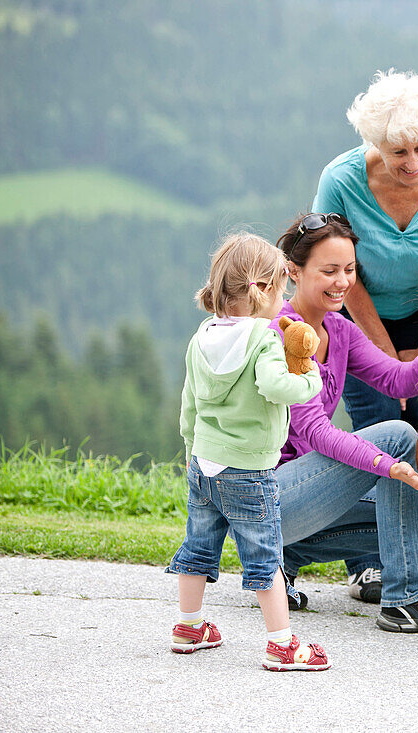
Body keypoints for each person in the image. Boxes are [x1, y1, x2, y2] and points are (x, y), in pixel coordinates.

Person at [272, 212, 418, 636]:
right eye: (329, 270)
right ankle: (409, 596)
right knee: (397, 436)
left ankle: (286, 558)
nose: (342, 281)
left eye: (350, 270)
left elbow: (398, 379)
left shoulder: (339, 328)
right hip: (271, 496)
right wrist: (386, 463)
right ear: (293, 271)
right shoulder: (282, 331)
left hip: (302, 500)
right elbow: (315, 431)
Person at [312, 70, 418, 603]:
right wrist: (387, 355)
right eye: (396, 152)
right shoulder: (340, 180)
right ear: (373, 144)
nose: (411, 164)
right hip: (352, 312)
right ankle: (369, 565)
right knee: (377, 428)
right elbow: (344, 276)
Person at [168, 232, 329, 670]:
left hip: (204, 462)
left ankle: (189, 626)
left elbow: (190, 403)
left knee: (199, 545)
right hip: (248, 469)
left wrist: (189, 450)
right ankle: (282, 644)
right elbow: (276, 386)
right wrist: (311, 378)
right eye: (281, 289)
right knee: (263, 554)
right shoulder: (263, 337)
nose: (285, 300)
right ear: (259, 290)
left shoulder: (202, 336)